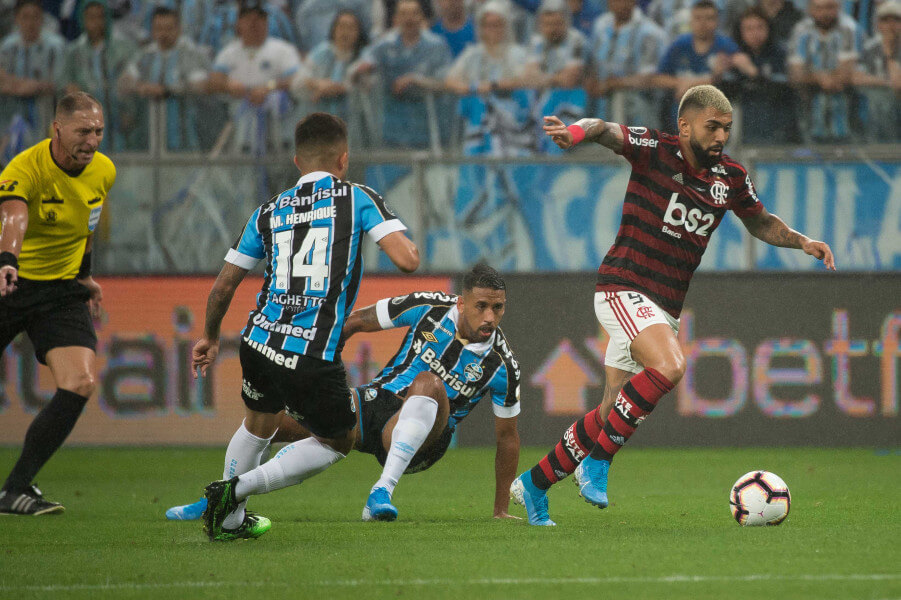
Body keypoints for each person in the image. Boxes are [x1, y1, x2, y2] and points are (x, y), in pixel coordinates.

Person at [510, 84, 836, 526]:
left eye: (727, 128)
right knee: (670, 366)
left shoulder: (731, 178)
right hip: (623, 286)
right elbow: (603, 128)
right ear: (684, 126)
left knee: (611, 410)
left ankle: (534, 485)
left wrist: (802, 241)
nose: (721, 136)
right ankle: (597, 462)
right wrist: (576, 132)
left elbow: (758, 219)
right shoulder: (655, 149)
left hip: (664, 306)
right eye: (712, 127)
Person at [194, 112, 419, 541]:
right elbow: (407, 260)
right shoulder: (357, 198)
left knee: (257, 425)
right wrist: (401, 236)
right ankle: (231, 492)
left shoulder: (269, 210)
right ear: (344, 159)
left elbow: (222, 287)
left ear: (297, 161)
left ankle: (229, 522)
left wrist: (208, 335)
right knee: (340, 439)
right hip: (311, 354)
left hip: (258, 342)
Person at [167, 264, 522, 523]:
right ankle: (220, 497)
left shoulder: (502, 365)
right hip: (376, 404)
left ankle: (382, 490)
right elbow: (354, 321)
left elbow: (507, 438)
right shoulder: (429, 306)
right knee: (275, 417)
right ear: (461, 303)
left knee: (429, 382)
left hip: (427, 437)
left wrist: (500, 508)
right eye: (481, 306)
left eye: (498, 308)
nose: (490, 316)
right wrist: (324, 368)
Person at [0, 92, 115, 515]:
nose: (92, 140)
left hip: (60, 290)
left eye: (99, 131)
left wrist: (85, 276)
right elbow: (13, 217)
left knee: (80, 382)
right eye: (83, 131)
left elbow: (88, 225)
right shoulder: (24, 168)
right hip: (8, 282)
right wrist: (7, 261)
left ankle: (15, 490)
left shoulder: (103, 171)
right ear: (58, 129)